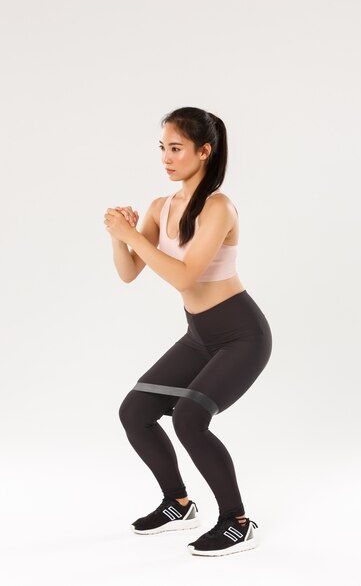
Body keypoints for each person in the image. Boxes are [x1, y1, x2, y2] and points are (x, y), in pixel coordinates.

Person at [104, 106, 273, 557]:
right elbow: (128, 273)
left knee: (189, 419)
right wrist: (119, 237)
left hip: (242, 336)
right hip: (199, 335)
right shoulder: (162, 207)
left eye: (176, 148)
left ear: (204, 151)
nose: (167, 157)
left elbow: (185, 275)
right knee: (135, 411)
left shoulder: (219, 207)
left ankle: (237, 521)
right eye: (163, 147)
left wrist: (133, 235)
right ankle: (178, 503)